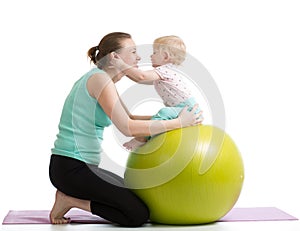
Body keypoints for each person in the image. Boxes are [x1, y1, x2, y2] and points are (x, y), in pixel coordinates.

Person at [49, 32, 203, 227]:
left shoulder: (103, 80)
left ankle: (71, 197)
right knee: (136, 214)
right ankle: (70, 200)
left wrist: (173, 118)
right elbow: (128, 128)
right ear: (115, 57)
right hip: (70, 168)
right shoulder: (99, 80)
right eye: (133, 52)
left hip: (85, 167)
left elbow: (129, 118)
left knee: (139, 196)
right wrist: (179, 123)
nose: (139, 57)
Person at [111, 35, 202, 151]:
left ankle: (141, 138)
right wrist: (123, 70)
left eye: (154, 52)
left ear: (165, 56)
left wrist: (122, 65)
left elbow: (141, 76)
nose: (150, 55)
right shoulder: (164, 73)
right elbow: (138, 79)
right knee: (162, 116)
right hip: (186, 108)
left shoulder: (164, 70)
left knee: (163, 113)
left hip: (187, 109)